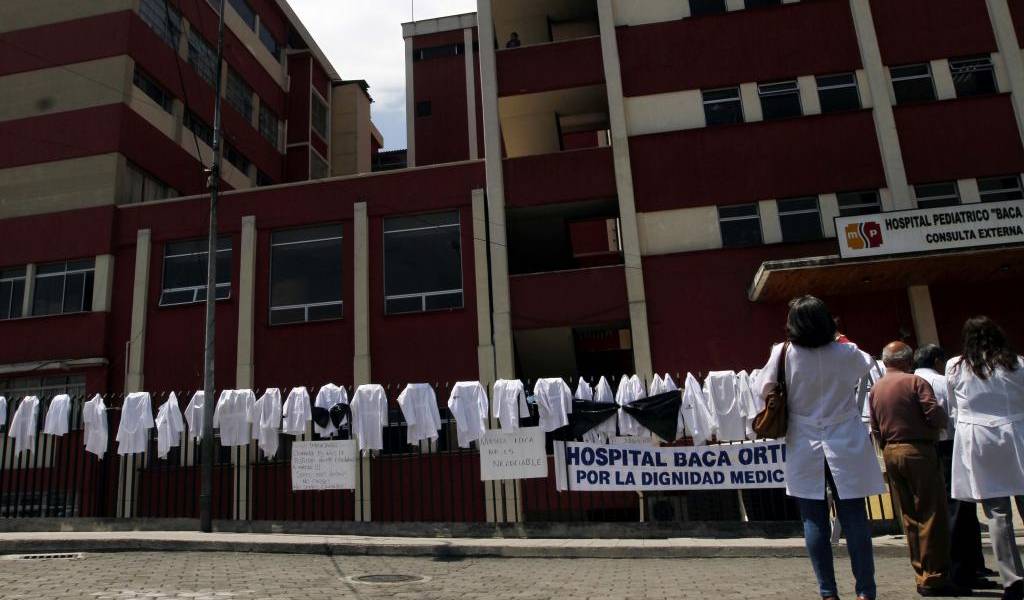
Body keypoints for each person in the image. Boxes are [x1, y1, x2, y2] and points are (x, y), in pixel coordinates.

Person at [756, 296, 885, 600]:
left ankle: (828, 591)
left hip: (804, 439)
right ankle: (866, 590)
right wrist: (838, 336)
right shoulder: (846, 351)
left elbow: (762, 388)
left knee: (813, 518)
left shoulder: (783, 353)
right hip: (845, 437)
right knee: (854, 517)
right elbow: (868, 364)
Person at [870, 342, 964, 596]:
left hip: (891, 451)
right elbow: (934, 415)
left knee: (909, 516)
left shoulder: (876, 388)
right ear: (906, 361)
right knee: (932, 511)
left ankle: (920, 571)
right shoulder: (915, 383)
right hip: (919, 449)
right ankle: (935, 574)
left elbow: (875, 426)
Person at [945, 317, 1024, 600]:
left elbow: (954, 407)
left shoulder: (956, 367)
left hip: (980, 439)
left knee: (997, 513)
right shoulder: (1017, 363)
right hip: (1017, 433)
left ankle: (1013, 578)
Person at [915, 344, 997, 590]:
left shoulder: (909, 380)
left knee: (930, 509)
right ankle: (965, 567)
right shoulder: (941, 381)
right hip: (951, 445)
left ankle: (941, 566)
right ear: (938, 360)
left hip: (924, 449)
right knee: (961, 507)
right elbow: (954, 413)